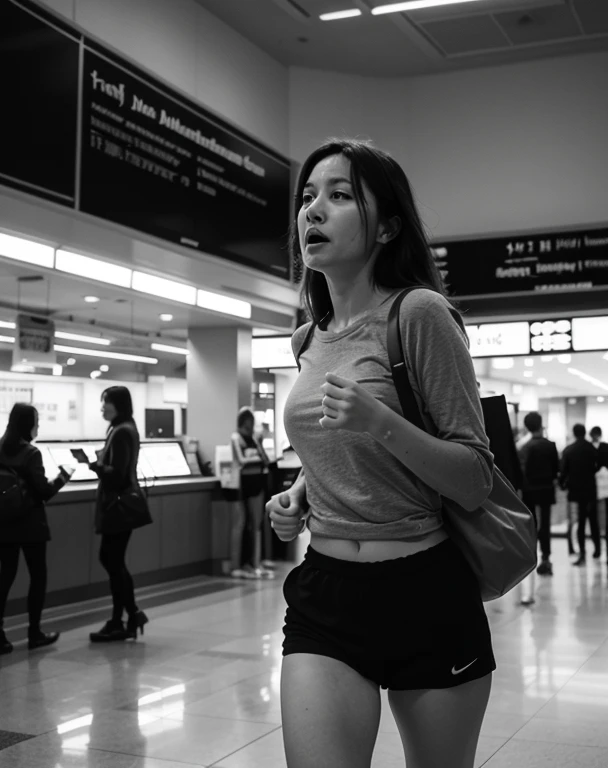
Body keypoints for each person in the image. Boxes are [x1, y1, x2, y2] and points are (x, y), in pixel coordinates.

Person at [266, 138, 495, 768]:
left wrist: (382, 423)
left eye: (339, 196)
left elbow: (475, 477)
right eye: (307, 197)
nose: (314, 211)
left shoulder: (420, 315)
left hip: (426, 592)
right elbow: (336, 448)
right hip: (327, 591)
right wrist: (299, 493)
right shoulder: (305, 339)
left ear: (388, 226)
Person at [0, 403, 73, 653]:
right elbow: (42, 491)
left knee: (4, 578)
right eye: (36, 422)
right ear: (27, 424)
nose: (38, 426)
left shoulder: (0, 448)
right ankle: (35, 633)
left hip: (4, 524)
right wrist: (63, 477)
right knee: (37, 577)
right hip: (30, 524)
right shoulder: (31, 453)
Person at [88, 386, 150, 641]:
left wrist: (98, 467)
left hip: (118, 507)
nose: (103, 407)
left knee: (111, 559)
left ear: (118, 405)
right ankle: (127, 616)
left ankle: (124, 617)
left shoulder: (123, 431)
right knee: (114, 560)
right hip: (120, 507)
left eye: (106, 403)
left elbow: (118, 474)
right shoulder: (122, 428)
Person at [230, 407, 273, 579]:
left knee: (257, 524)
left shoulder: (254, 439)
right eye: (247, 421)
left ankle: (256, 562)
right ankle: (238, 564)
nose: (249, 424)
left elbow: (265, 460)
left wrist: (259, 446)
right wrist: (255, 458)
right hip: (242, 484)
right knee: (241, 523)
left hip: (257, 483)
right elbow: (241, 460)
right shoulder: (236, 438)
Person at [518, 412, 559, 576]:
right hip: (547, 489)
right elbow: (557, 469)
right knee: (546, 524)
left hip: (530, 490)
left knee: (532, 525)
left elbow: (521, 472)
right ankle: (546, 558)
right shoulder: (551, 446)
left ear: (527, 427)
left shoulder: (524, 448)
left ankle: (531, 557)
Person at [559, 423, 600, 566]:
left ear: (574, 433)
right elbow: (598, 466)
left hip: (575, 492)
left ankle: (581, 552)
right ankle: (598, 550)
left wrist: (562, 484)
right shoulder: (592, 449)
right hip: (591, 490)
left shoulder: (569, 450)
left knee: (580, 522)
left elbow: (563, 471)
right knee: (593, 520)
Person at [590, 426, 608, 564]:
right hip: (593, 487)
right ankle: (597, 547)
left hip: (604, 485)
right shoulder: (589, 448)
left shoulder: (603, 447)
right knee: (593, 518)